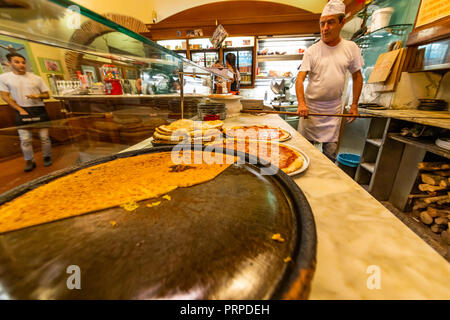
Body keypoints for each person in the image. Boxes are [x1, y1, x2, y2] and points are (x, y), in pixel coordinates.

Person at [295, 0, 364, 161]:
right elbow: (300, 79)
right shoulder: (312, 51)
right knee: (304, 155)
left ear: (342, 22)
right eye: (322, 24)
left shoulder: (351, 48)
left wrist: (354, 105)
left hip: (333, 110)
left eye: (330, 23)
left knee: (330, 155)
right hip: (310, 110)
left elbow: (357, 76)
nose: (325, 28)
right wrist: (301, 103)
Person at [0, 53, 52, 172]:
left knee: (44, 137)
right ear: (9, 63)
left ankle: (47, 157)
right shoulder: (4, 78)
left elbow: (47, 95)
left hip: (39, 109)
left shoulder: (36, 78)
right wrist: (20, 110)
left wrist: (37, 95)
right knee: (25, 139)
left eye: (23, 62)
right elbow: (5, 96)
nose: (21, 65)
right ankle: (29, 161)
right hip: (21, 109)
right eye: (17, 62)